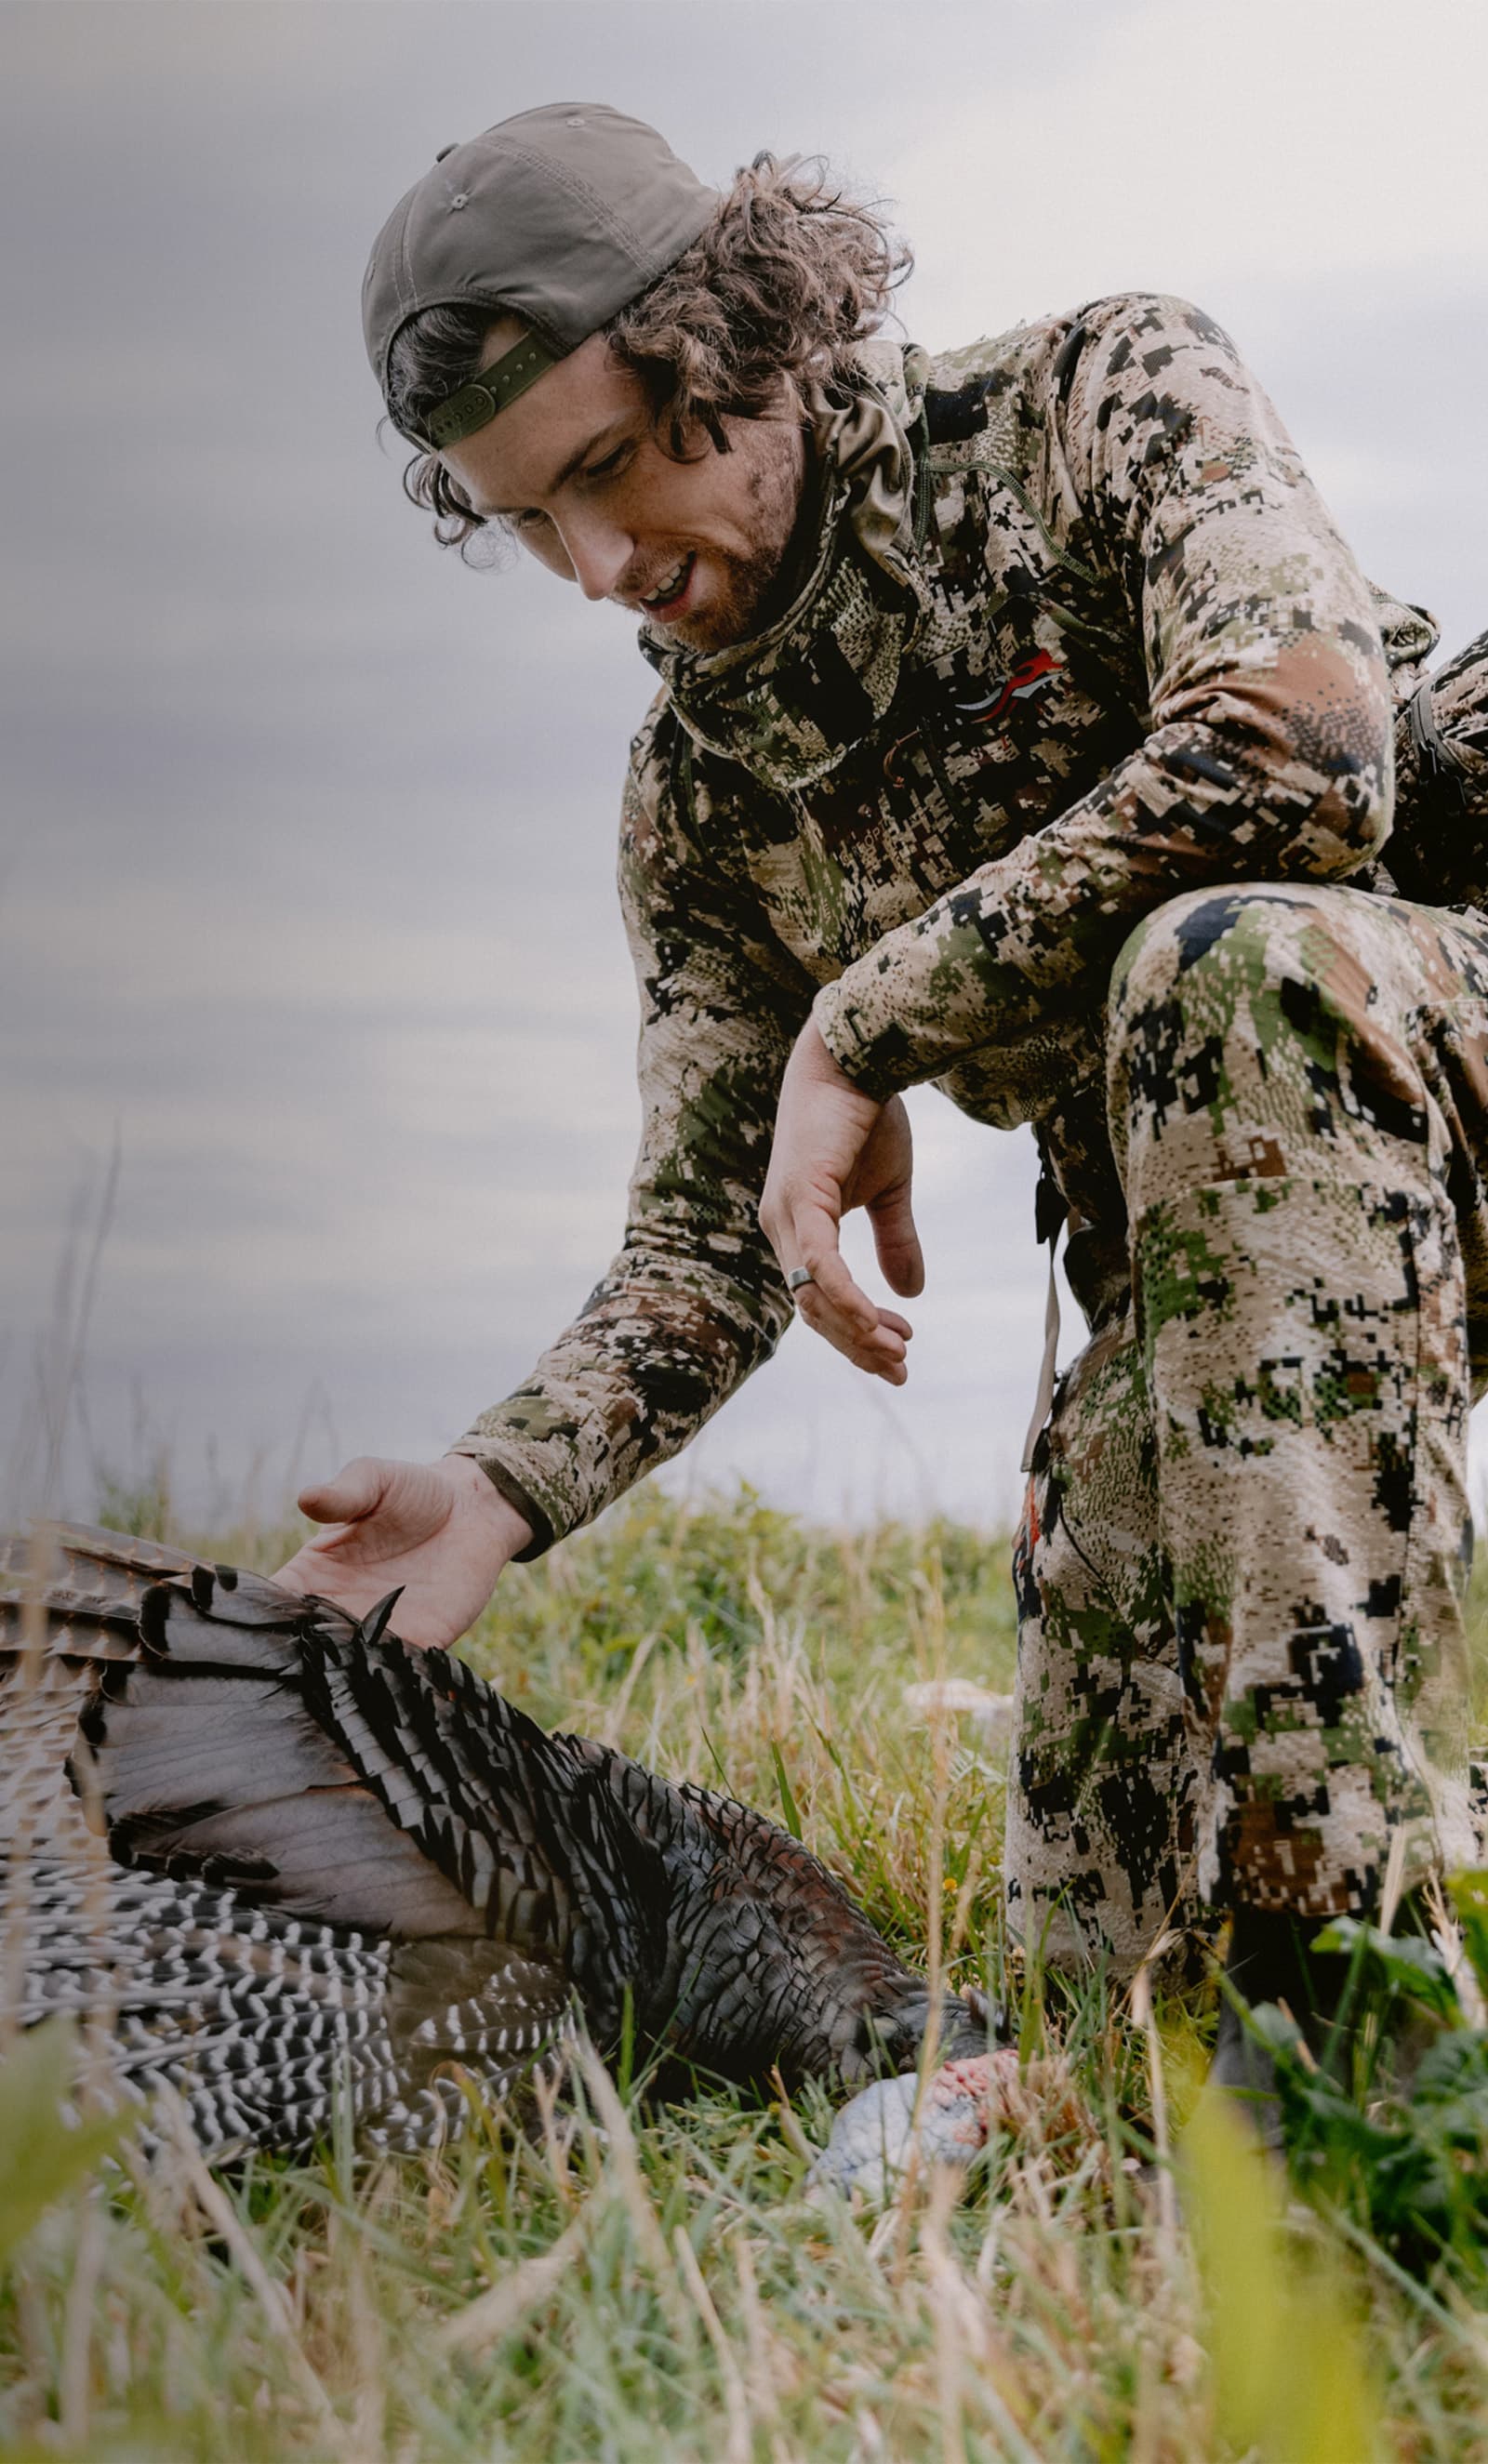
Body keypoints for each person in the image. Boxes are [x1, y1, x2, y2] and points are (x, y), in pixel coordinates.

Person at [274, 102, 1488, 2086]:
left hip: (1422, 1045)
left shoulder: (1100, 394)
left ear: (735, 337)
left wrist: (868, 1014)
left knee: (1232, 965)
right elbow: (702, 1234)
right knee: (1105, 2013)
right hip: (1233, 1294)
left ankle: (1373, 2032)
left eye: (607, 467)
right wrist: (498, 1483)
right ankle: (1232, 2043)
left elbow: (1310, 744)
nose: (592, 568)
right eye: (521, 521)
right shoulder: (697, 802)